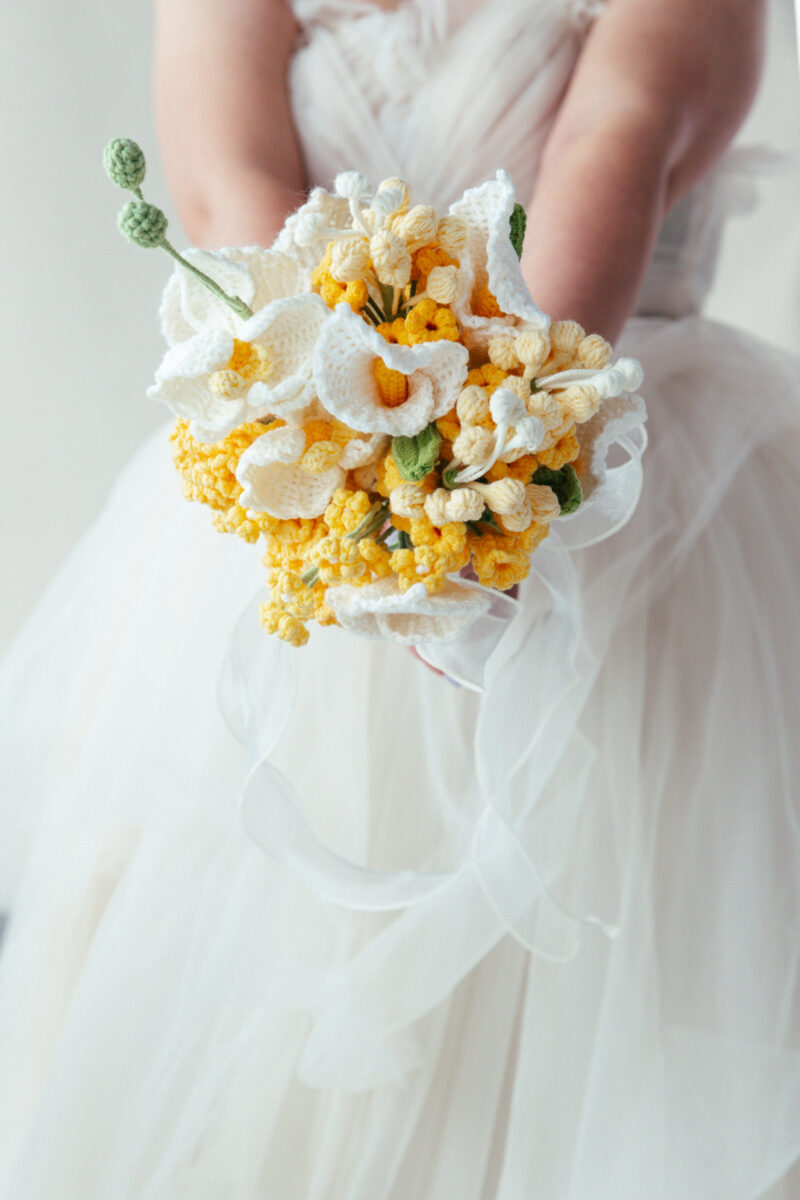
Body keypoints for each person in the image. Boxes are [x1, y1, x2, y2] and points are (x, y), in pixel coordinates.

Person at [1, 0, 799, 1195]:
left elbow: (614, 147)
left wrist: (500, 483)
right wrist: (353, 493)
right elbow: (230, 191)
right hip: (301, 465)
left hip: (621, 493)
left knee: (624, 978)